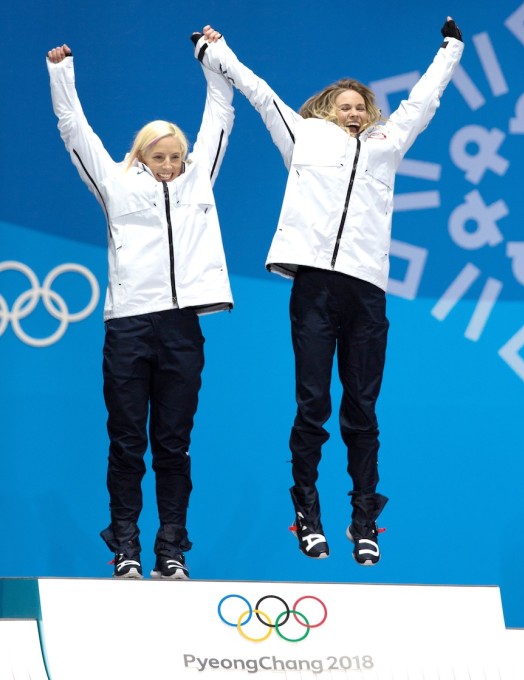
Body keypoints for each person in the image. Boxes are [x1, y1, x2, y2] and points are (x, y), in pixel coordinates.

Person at [196, 19, 464, 565]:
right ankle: (308, 514)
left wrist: (451, 50)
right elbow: (259, 92)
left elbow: (423, 102)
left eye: (361, 105)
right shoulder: (302, 136)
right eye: (344, 105)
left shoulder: (388, 145)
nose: (355, 111)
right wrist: (218, 52)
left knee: (362, 409)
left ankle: (364, 520)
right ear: (324, 110)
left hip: (367, 289)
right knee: (313, 404)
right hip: (315, 286)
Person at [46, 26, 234, 580]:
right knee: (127, 443)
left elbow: (220, 112)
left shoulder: (200, 180)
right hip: (128, 327)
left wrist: (212, 57)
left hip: (182, 329)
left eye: (178, 155)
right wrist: (62, 74)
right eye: (161, 155)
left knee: (173, 447)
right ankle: (126, 547)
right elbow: (73, 130)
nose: (172, 163)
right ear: (141, 155)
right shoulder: (115, 184)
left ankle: (170, 549)